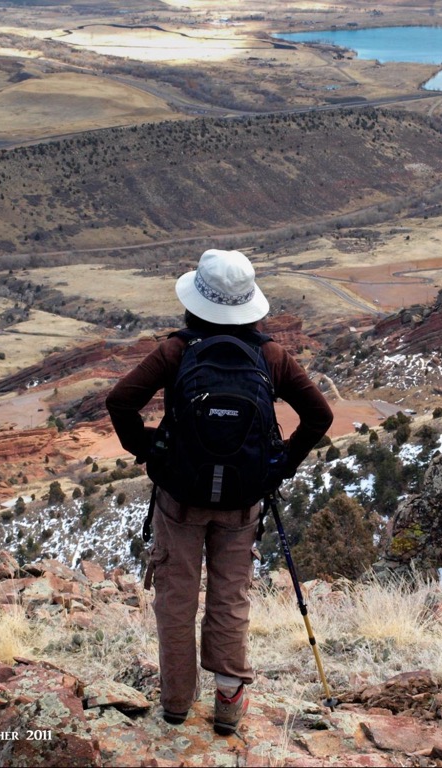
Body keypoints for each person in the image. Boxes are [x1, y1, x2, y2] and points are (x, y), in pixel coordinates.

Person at [105, 249, 333, 734]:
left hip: (179, 496)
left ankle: (175, 704)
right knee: (230, 596)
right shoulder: (269, 355)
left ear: (196, 302)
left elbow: (120, 401)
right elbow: (319, 417)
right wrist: (280, 466)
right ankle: (229, 703)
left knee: (177, 595)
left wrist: (147, 449)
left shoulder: (177, 351)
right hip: (243, 500)